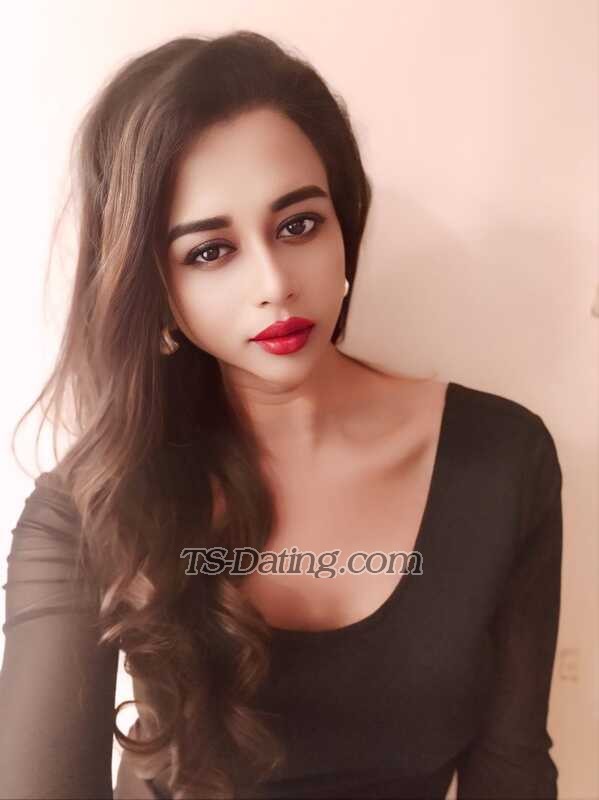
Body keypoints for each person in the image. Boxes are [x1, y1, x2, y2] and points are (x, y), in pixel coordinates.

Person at [0, 30, 563, 800]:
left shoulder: (502, 460)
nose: (273, 283)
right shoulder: (87, 510)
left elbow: (512, 769)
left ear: (343, 222)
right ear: (154, 286)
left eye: (298, 225)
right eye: (209, 251)